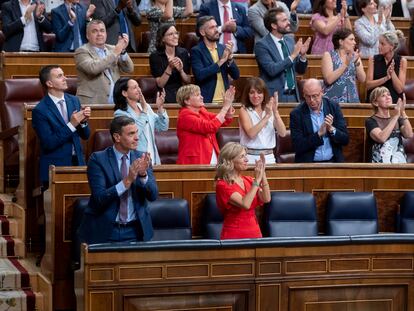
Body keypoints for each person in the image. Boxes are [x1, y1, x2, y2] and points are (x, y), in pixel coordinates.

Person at [78, 116, 158, 244]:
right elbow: (99, 198)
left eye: (137, 132)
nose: (137, 137)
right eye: (131, 133)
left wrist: (143, 175)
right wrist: (127, 181)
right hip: (106, 230)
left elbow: (153, 195)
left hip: (136, 231)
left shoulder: (141, 157)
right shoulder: (98, 159)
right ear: (117, 137)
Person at [32, 65, 91, 187]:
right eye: (60, 76)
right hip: (56, 167)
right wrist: (72, 124)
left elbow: (86, 135)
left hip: (78, 163)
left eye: (64, 74)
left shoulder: (74, 100)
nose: (65, 78)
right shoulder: (40, 110)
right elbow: (49, 143)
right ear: (49, 83)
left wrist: (83, 122)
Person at [215, 142, 271, 239]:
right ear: (230, 160)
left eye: (245, 156)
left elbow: (266, 199)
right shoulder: (222, 185)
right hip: (234, 235)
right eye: (242, 157)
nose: (246, 160)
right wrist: (257, 180)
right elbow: (245, 204)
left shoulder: (249, 180)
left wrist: (263, 175)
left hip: (255, 233)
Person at [254, 7, 311, 103]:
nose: (288, 23)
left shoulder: (289, 40)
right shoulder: (262, 45)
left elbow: (300, 70)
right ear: (274, 25)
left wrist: (302, 56)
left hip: (294, 96)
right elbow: (272, 70)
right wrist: (292, 56)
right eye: (284, 20)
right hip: (274, 97)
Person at [75, 19, 134, 105]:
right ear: (88, 35)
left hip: (115, 103)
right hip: (92, 104)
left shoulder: (112, 49)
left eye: (102, 31)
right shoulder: (81, 51)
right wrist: (115, 53)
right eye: (94, 31)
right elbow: (93, 69)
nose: (99, 34)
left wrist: (123, 50)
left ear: (106, 34)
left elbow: (129, 69)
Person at [289, 78, 349, 163]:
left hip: (333, 163)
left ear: (322, 92)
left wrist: (332, 129)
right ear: (303, 95)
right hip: (308, 165)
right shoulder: (297, 114)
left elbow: (345, 139)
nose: (311, 100)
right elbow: (297, 146)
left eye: (315, 96)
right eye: (308, 96)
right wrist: (318, 134)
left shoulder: (333, 107)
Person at [113, 78, 168, 165]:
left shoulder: (145, 106)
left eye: (139, 86)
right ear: (125, 93)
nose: (139, 90)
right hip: (136, 160)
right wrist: (144, 111)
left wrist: (160, 108)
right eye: (135, 87)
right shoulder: (120, 114)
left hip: (154, 158)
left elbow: (162, 127)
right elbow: (134, 134)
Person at [176, 84, 235, 164]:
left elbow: (221, 121)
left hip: (211, 156)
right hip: (194, 161)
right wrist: (225, 107)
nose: (202, 97)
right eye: (197, 95)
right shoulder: (185, 116)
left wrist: (229, 103)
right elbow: (210, 127)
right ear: (187, 101)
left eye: (200, 94)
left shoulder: (202, 111)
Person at [191, 15, 240, 104]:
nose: (217, 30)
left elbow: (236, 75)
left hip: (225, 101)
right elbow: (200, 75)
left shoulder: (223, 48)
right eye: (212, 27)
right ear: (202, 32)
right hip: (207, 101)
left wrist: (229, 58)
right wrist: (221, 61)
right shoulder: (197, 51)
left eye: (216, 26)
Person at [239, 77, 287, 164]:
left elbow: (282, 133)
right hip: (250, 158)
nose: (256, 96)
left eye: (259, 92)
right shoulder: (244, 110)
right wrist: (267, 116)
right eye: (252, 92)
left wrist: (275, 112)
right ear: (247, 94)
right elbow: (251, 133)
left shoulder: (269, 109)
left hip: (269, 158)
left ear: (264, 94)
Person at [365, 87, 413, 163]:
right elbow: (381, 138)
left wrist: (403, 112)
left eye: (389, 95)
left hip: (400, 162)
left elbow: (409, 134)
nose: (388, 97)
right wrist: (396, 116)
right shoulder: (370, 121)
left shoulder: (398, 119)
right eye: (383, 96)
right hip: (379, 165)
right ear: (375, 103)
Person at [321, 28, 366, 104]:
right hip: (333, 101)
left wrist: (356, 62)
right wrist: (345, 64)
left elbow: (362, 79)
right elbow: (329, 79)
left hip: (352, 100)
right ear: (341, 42)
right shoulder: (329, 55)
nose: (354, 42)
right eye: (351, 39)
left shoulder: (354, 56)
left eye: (354, 40)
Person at [149, 24, 191, 103]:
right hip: (165, 94)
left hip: (182, 93)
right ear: (163, 39)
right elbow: (160, 84)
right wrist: (169, 68)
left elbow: (188, 81)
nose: (175, 36)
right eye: (171, 34)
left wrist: (181, 71)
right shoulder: (155, 56)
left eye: (176, 33)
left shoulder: (183, 53)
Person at [366, 30, 407, 103]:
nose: (379, 46)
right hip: (376, 101)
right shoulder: (373, 59)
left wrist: (392, 73)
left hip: (393, 101)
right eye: (379, 43)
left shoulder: (402, 61)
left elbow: (400, 89)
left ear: (391, 46)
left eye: (382, 44)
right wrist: (386, 78)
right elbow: (368, 85)